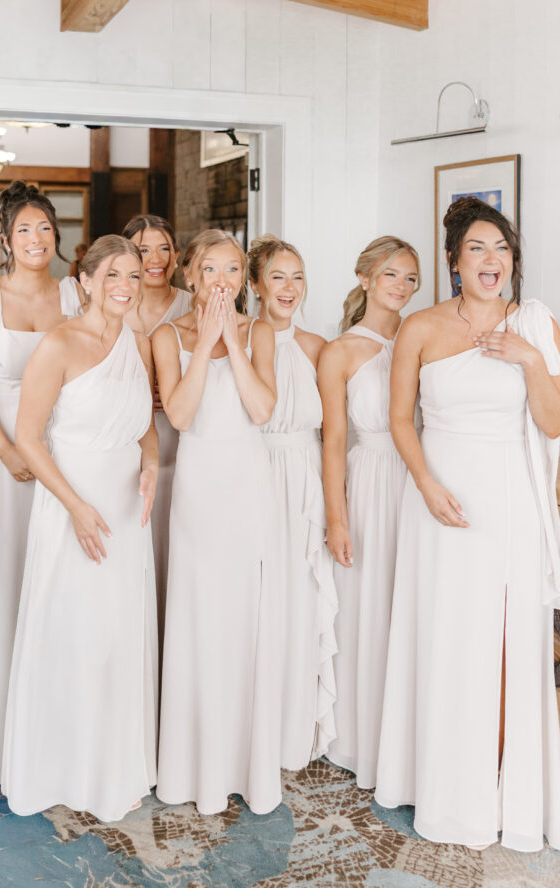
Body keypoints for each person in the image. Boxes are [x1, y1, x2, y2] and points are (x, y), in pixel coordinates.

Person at [375, 197, 560, 852]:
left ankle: (499, 791)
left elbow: (554, 421)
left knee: (506, 645)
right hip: (439, 505)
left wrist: (528, 359)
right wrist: (426, 484)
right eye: (477, 249)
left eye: (502, 249)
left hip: (509, 505)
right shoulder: (421, 327)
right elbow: (400, 419)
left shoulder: (536, 325)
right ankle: (443, 787)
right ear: (453, 262)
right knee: (448, 638)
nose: (492, 261)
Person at [2, 236, 159, 822]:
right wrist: (74, 506)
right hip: (73, 506)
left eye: (134, 275)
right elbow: (27, 438)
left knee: (117, 635)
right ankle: (61, 768)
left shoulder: (136, 342)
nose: (125, 285)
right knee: (75, 633)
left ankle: (112, 766)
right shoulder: (59, 343)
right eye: (113, 274)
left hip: (126, 509)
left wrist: (151, 462)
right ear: (86, 280)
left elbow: (144, 424)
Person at [0, 181, 82, 790]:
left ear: (57, 236)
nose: (36, 239)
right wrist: (8, 452)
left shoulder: (76, 292)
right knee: (4, 579)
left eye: (45, 228)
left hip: (62, 452)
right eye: (24, 230)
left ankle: (52, 737)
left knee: (57, 583)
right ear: (6, 239)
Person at [154, 229, 281, 816]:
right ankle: (193, 768)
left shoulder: (260, 332)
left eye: (233, 269)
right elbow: (180, 415)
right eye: (211, 269)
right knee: (200, 613)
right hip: (199, 489)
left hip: (248, 488)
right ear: (191, 275)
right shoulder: (166, 336)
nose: (223, 281)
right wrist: (205, 345)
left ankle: (243, 764)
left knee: (245, 615)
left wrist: (232, 336)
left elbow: (261, 409)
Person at [318, 236, 420, 789]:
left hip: (420, 479)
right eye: (391, 275)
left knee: (411, 604)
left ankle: (410, 738)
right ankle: (364, 738)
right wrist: (337, 518)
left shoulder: (423, 334)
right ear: (365, 278)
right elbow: (334, 441)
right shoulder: (342, 351)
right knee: (369, 605)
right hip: (371, 481)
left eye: (410, 278)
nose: (401, 287)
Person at [247, 234, 336, 770]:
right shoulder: (240, 339)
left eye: (297, 277)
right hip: (257, 475)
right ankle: (256, 729)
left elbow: (334, 432)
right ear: (256, 284)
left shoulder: (318, 347)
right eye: (277, 277)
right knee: (260, 603)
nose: (289, 287)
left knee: (301, 601)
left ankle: (296, 727)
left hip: (306, 480)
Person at [122, 215, 192, 661]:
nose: (155, 258)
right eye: (143, 249)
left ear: (177, 255)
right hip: (124, 441)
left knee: (175, 548)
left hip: (181, 438)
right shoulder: (114, 303)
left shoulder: (190, 304)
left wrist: (175, 388)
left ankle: (173, 649)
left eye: (164, 248)